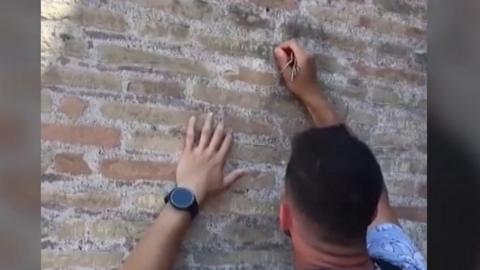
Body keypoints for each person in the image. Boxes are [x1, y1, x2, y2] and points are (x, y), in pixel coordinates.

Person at [121, 40, 426, 270]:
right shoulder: (401, 261)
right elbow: (357, 176)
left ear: (285, 217)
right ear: (371, 212)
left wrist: (186, 194)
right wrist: (313, 96)